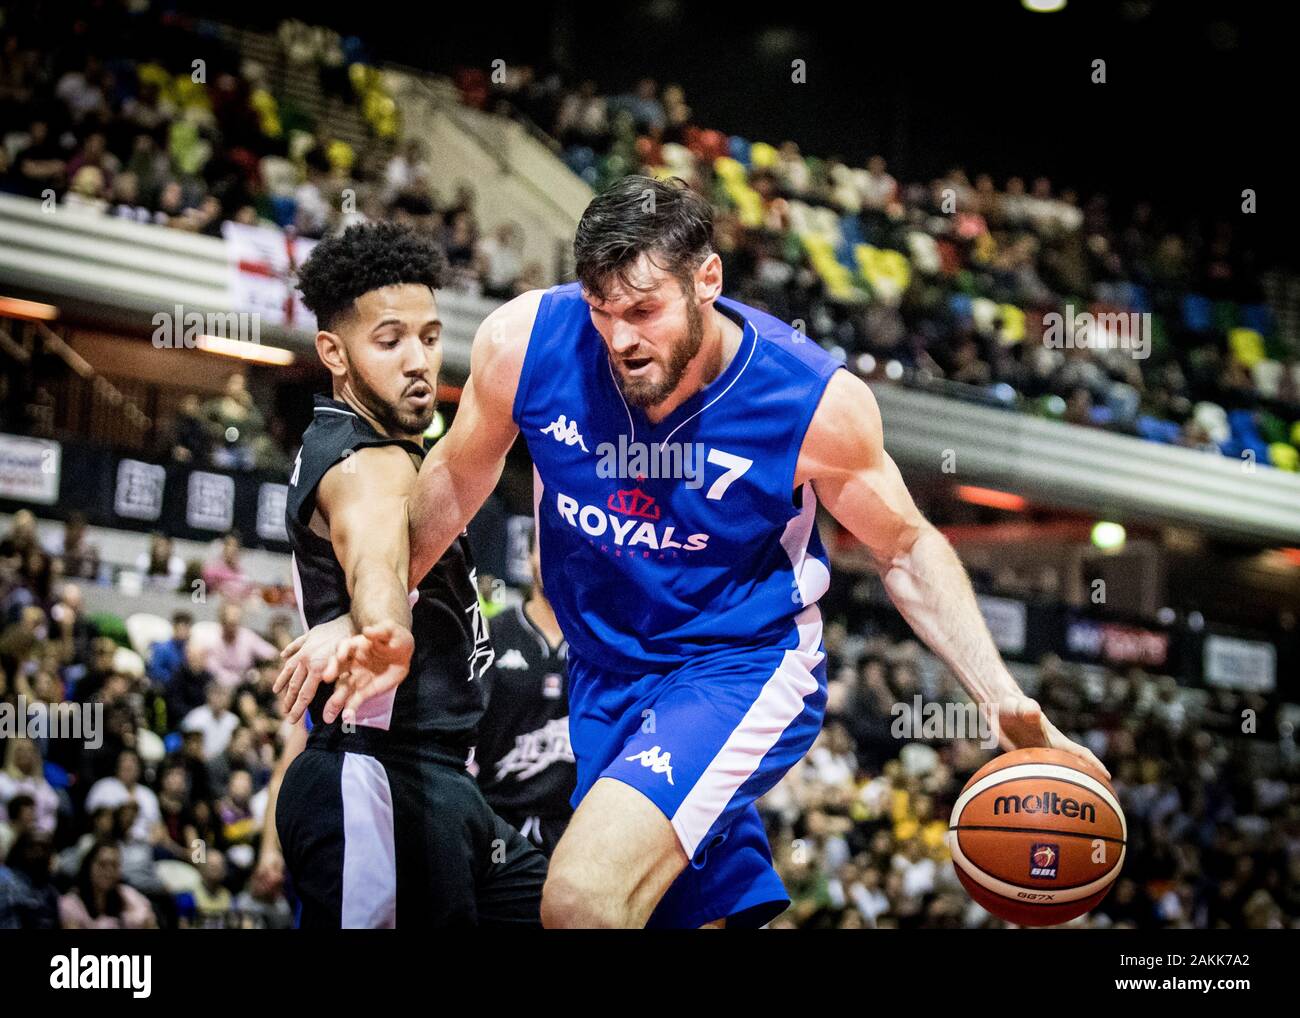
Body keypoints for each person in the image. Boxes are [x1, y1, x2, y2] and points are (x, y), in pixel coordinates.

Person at [287, 175, 1107, 929]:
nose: (619, 336)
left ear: (706, 281)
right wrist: (362, 614)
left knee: (578, 899)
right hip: (605, 671)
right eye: (601, 308)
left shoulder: (808, 402)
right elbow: (450, 488)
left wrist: (997, 695)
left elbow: (905, 547)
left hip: (738, 664)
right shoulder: (526, 344)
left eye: (643, 311)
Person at [272, 221, 545, 928]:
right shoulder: (366, 464)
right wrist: (384, 629)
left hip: (440, 781)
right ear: (333, 352)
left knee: (571, 909)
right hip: (375, 780)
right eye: (389, 341)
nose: (419, 360)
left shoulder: (377, 446)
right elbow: (376, 561)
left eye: (428, 336)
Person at [473, 535, 574, 857]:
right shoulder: (491, 634)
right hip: (496, 820)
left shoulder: (605, 644)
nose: (558, 557)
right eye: (549, 544)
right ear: (528, 554)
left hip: (577, 827)